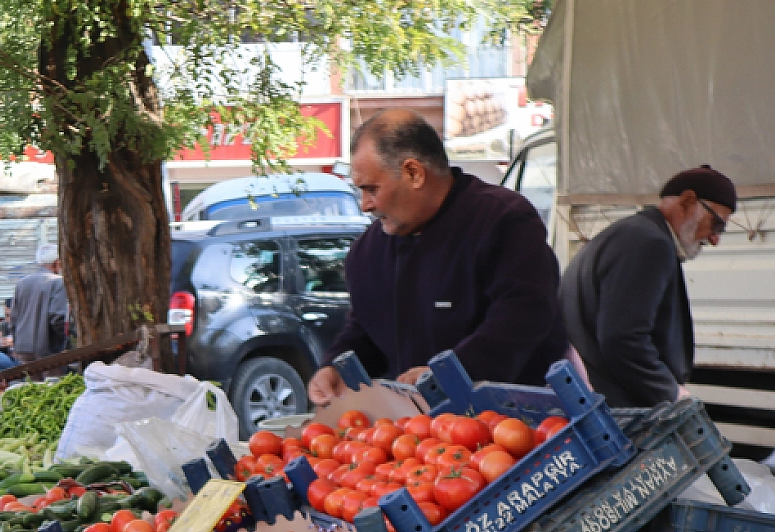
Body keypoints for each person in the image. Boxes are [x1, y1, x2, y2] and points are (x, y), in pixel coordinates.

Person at [308, 110, 566, 404]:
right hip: (418, 435)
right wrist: (334, 368)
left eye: (372, 189)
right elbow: (365, 328)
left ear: (414, 173)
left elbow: (524, 315)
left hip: (514, 422)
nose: (365, 205)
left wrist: (452, 373)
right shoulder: (367, 253)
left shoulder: (501, 219)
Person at [561, 166, 736, 408]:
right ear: (688, 201)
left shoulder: (631, 234)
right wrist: (671, 394)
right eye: (716, 225)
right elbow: (622, 338)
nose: (714, 239)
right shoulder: (650, 243)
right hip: (615, 406)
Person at [9, 243, 70, 363]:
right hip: (48, 349)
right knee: (53, 381)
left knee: (31, 381)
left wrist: (16, 344)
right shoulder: (58, 282)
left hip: (23, 349)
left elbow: (13, 319)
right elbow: (58, 318)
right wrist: (66, 344)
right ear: (57, 263)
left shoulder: (21, 283)